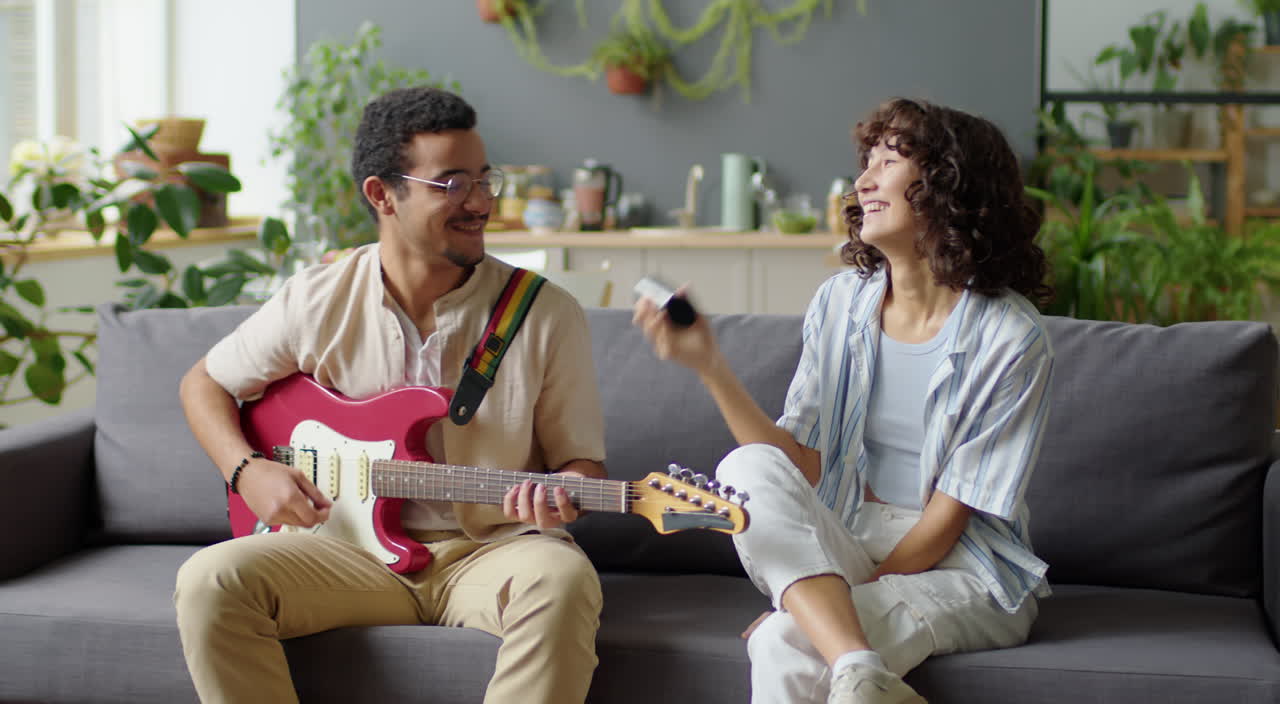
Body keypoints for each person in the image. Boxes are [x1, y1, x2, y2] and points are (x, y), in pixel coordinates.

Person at [175, 86, 607, 704]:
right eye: (453, 184)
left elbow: (582, 465)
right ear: (382, 194)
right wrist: (246, 471)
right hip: (346, 554)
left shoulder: (546, 314)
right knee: (208, 580)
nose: (481, 202)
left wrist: (564, 494)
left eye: (486, 180)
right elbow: (205, 382)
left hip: (491, 551)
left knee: (563, 580)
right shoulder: (316, 298)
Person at [634, 98, 1054, 704]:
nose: (863, 181)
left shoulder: (1012, 338)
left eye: (888, 161)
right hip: (848, 534)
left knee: (782, 641)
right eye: (867, 162)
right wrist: (708, 365)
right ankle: (861, 671)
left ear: (948, 184)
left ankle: (854, 665)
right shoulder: (839, 303)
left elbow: (945, 525)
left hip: (964, 569)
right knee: (744, 467)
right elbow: (800, 464)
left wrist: (814, 609)